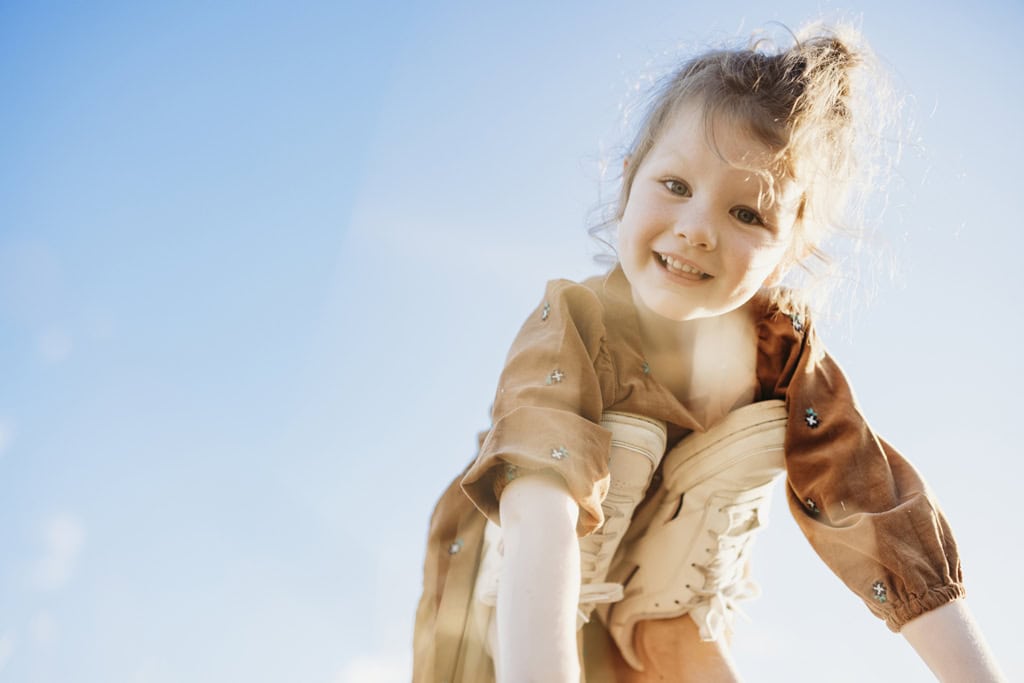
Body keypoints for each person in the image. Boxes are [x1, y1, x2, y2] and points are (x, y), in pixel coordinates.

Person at [413, 23, 1005, 683]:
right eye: (674, 185)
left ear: (792, 250)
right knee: (575, 473)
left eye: (747, 214)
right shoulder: (575, 322)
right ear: (627, 181)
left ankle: (658, 619)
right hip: (509, 599)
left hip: (647, 618)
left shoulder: (782, 358)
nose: (696, 228)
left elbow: (878, 512)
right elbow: (538, 506)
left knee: (695, 598)